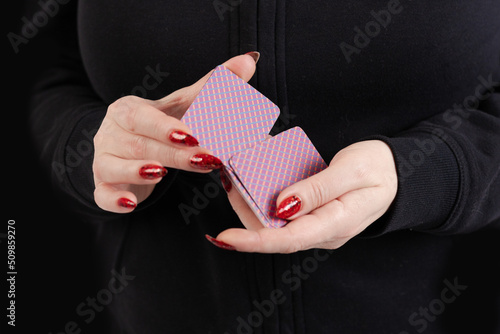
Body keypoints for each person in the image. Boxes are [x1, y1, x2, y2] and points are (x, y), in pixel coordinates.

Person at [29, 0, 500, 333]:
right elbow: (44, 68)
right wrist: (89, 145)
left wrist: (423, 175)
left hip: (431, 307)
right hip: (151, 310)